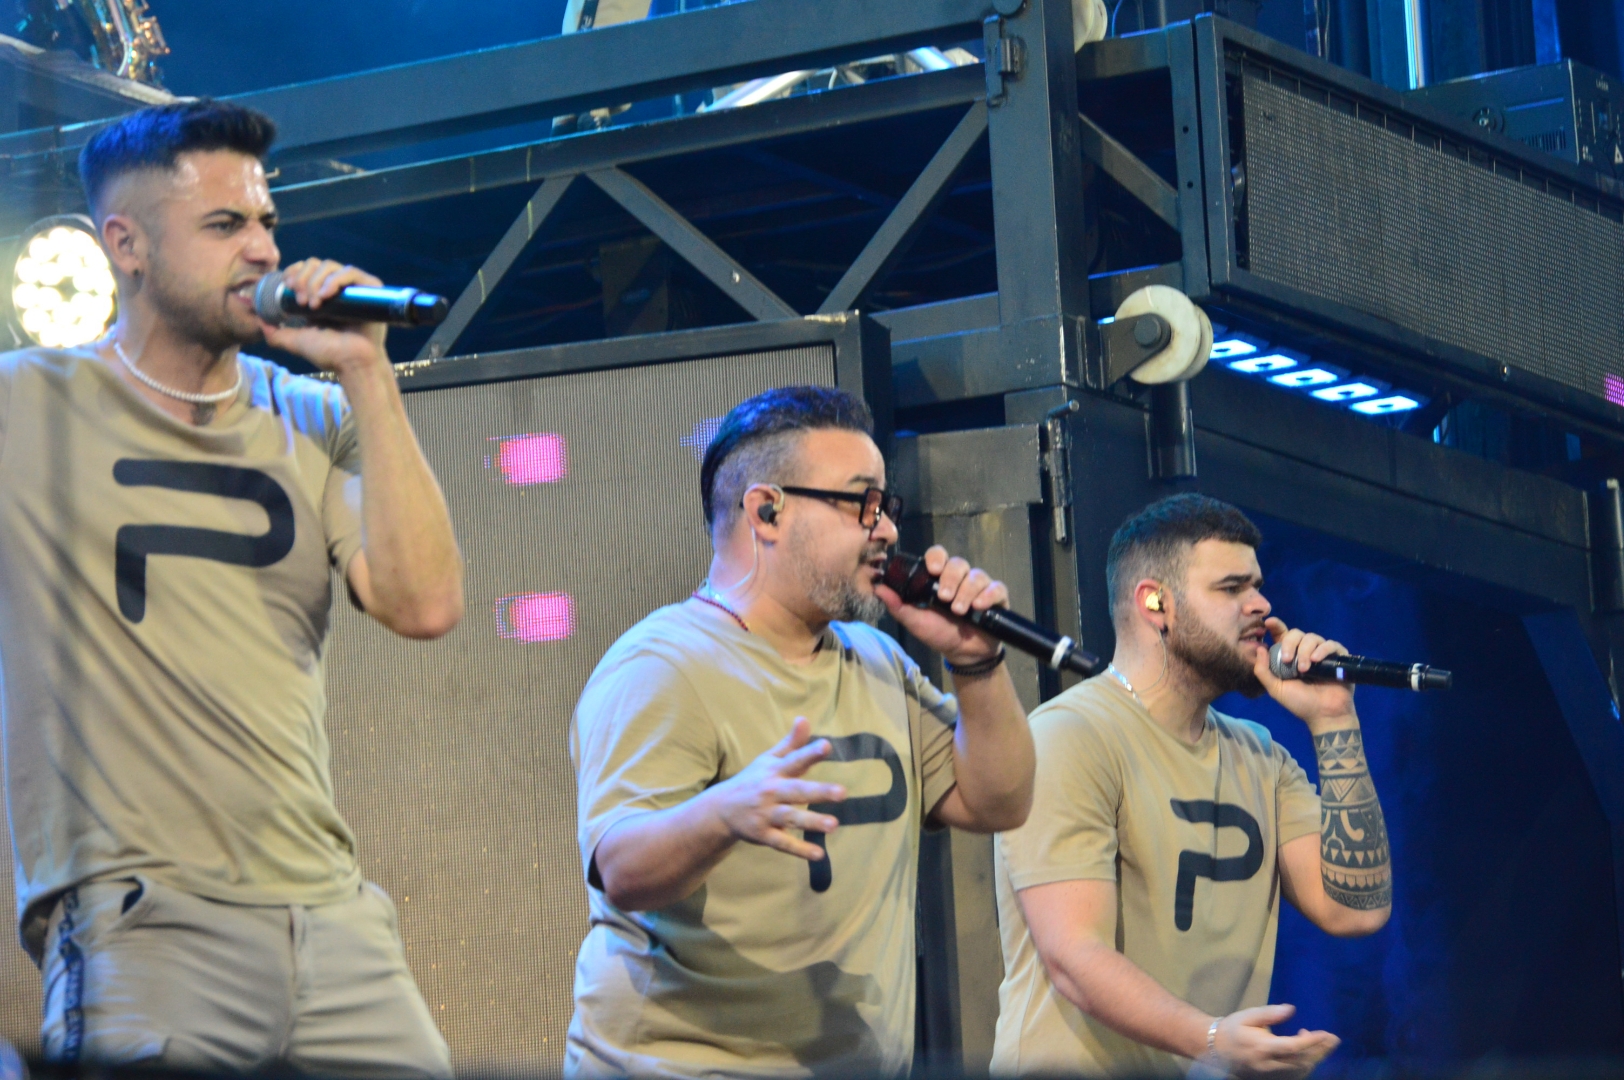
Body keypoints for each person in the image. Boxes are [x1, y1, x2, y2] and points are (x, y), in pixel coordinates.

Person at [0, 100, 463, 1074]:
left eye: (266, 222)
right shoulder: (27, 405)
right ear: (124, 246)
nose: (261, 251)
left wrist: (369, 372)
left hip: (331, 915)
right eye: (223, 226)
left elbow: (423, 605)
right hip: (139, 917)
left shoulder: (314, 411)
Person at [567, 386, 1035, 1078]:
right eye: (861, 504)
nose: (886, 531)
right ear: (767, 510)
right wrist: (725, 812)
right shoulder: (663, 665)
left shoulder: (873, 660)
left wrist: (977, 663)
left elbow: (998, 802)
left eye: (887, 507)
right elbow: (620, 869)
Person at [991, 494, 1393, 1078]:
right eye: (1231, 589)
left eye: (1257, 586)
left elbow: (1356, 910)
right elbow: (1074, 956)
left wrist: (1334, 721)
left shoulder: (1260, 755)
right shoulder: (1071, 736)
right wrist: (1209, 1038)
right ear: (1155, 602)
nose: (1261, 606)